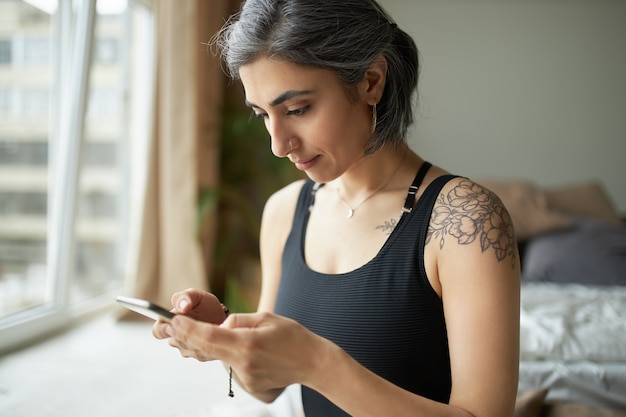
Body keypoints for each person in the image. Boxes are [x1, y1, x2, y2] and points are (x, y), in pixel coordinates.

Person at [153, 0, 521, 416]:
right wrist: (225, 335)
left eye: (297, 110)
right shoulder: (285, 211)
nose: (278, 145)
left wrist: (317, 362)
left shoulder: (464, 220)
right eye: (263, 116)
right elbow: (268, 389)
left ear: (371, 81)